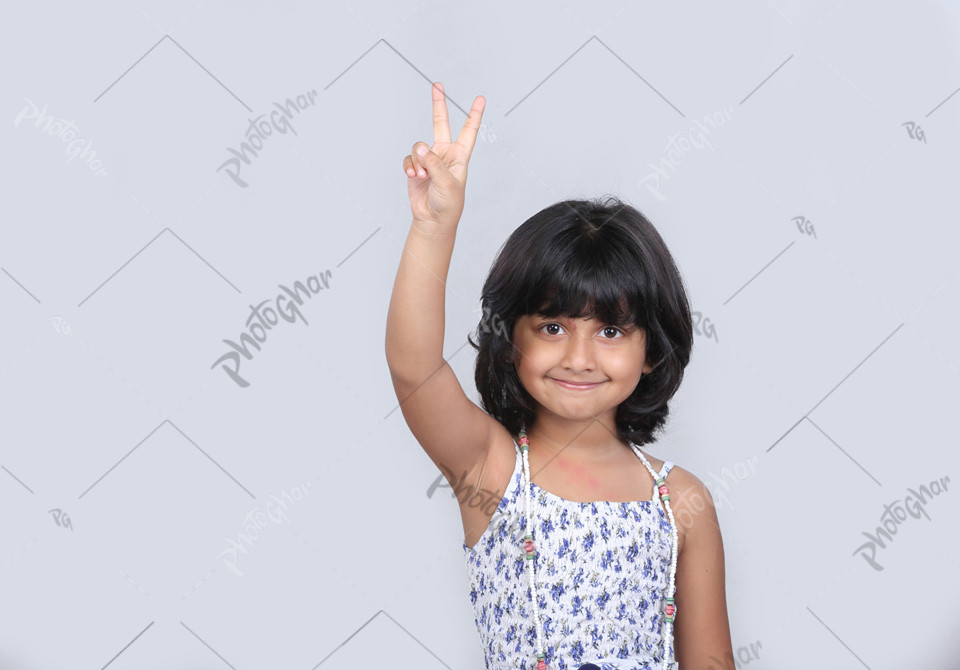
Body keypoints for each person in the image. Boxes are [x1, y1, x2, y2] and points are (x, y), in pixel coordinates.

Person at [385, 81, 735, 670]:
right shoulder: (491, 470)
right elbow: (412, 367)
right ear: (509, 336)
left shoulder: (682, 503)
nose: (579, 356)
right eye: (552, 327)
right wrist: (433, 228)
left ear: (653, 350)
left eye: (611, 331)